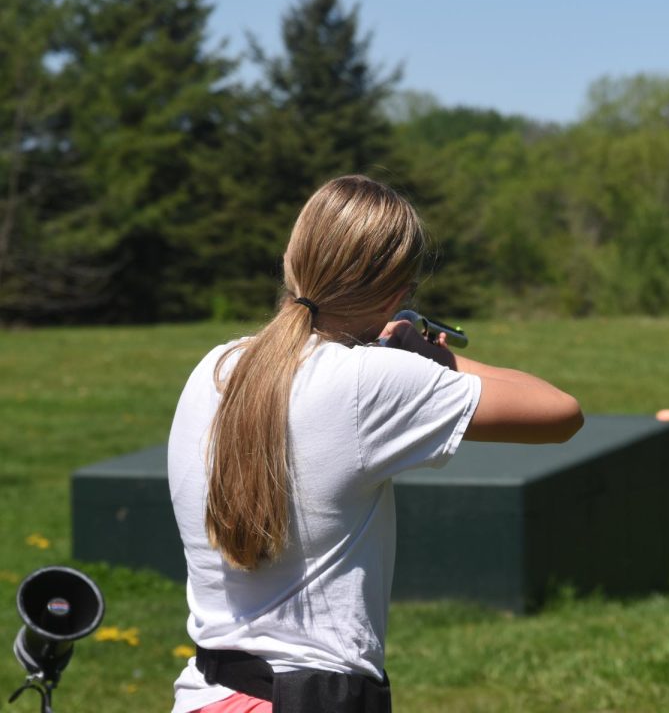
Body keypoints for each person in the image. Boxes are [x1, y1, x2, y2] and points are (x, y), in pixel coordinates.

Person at [167, 175, 583, 713]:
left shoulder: (216, 366)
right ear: (396, 293)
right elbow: (559, 412)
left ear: (293, 258)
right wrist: (434, 357)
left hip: (208, 693)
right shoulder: (371, 380)